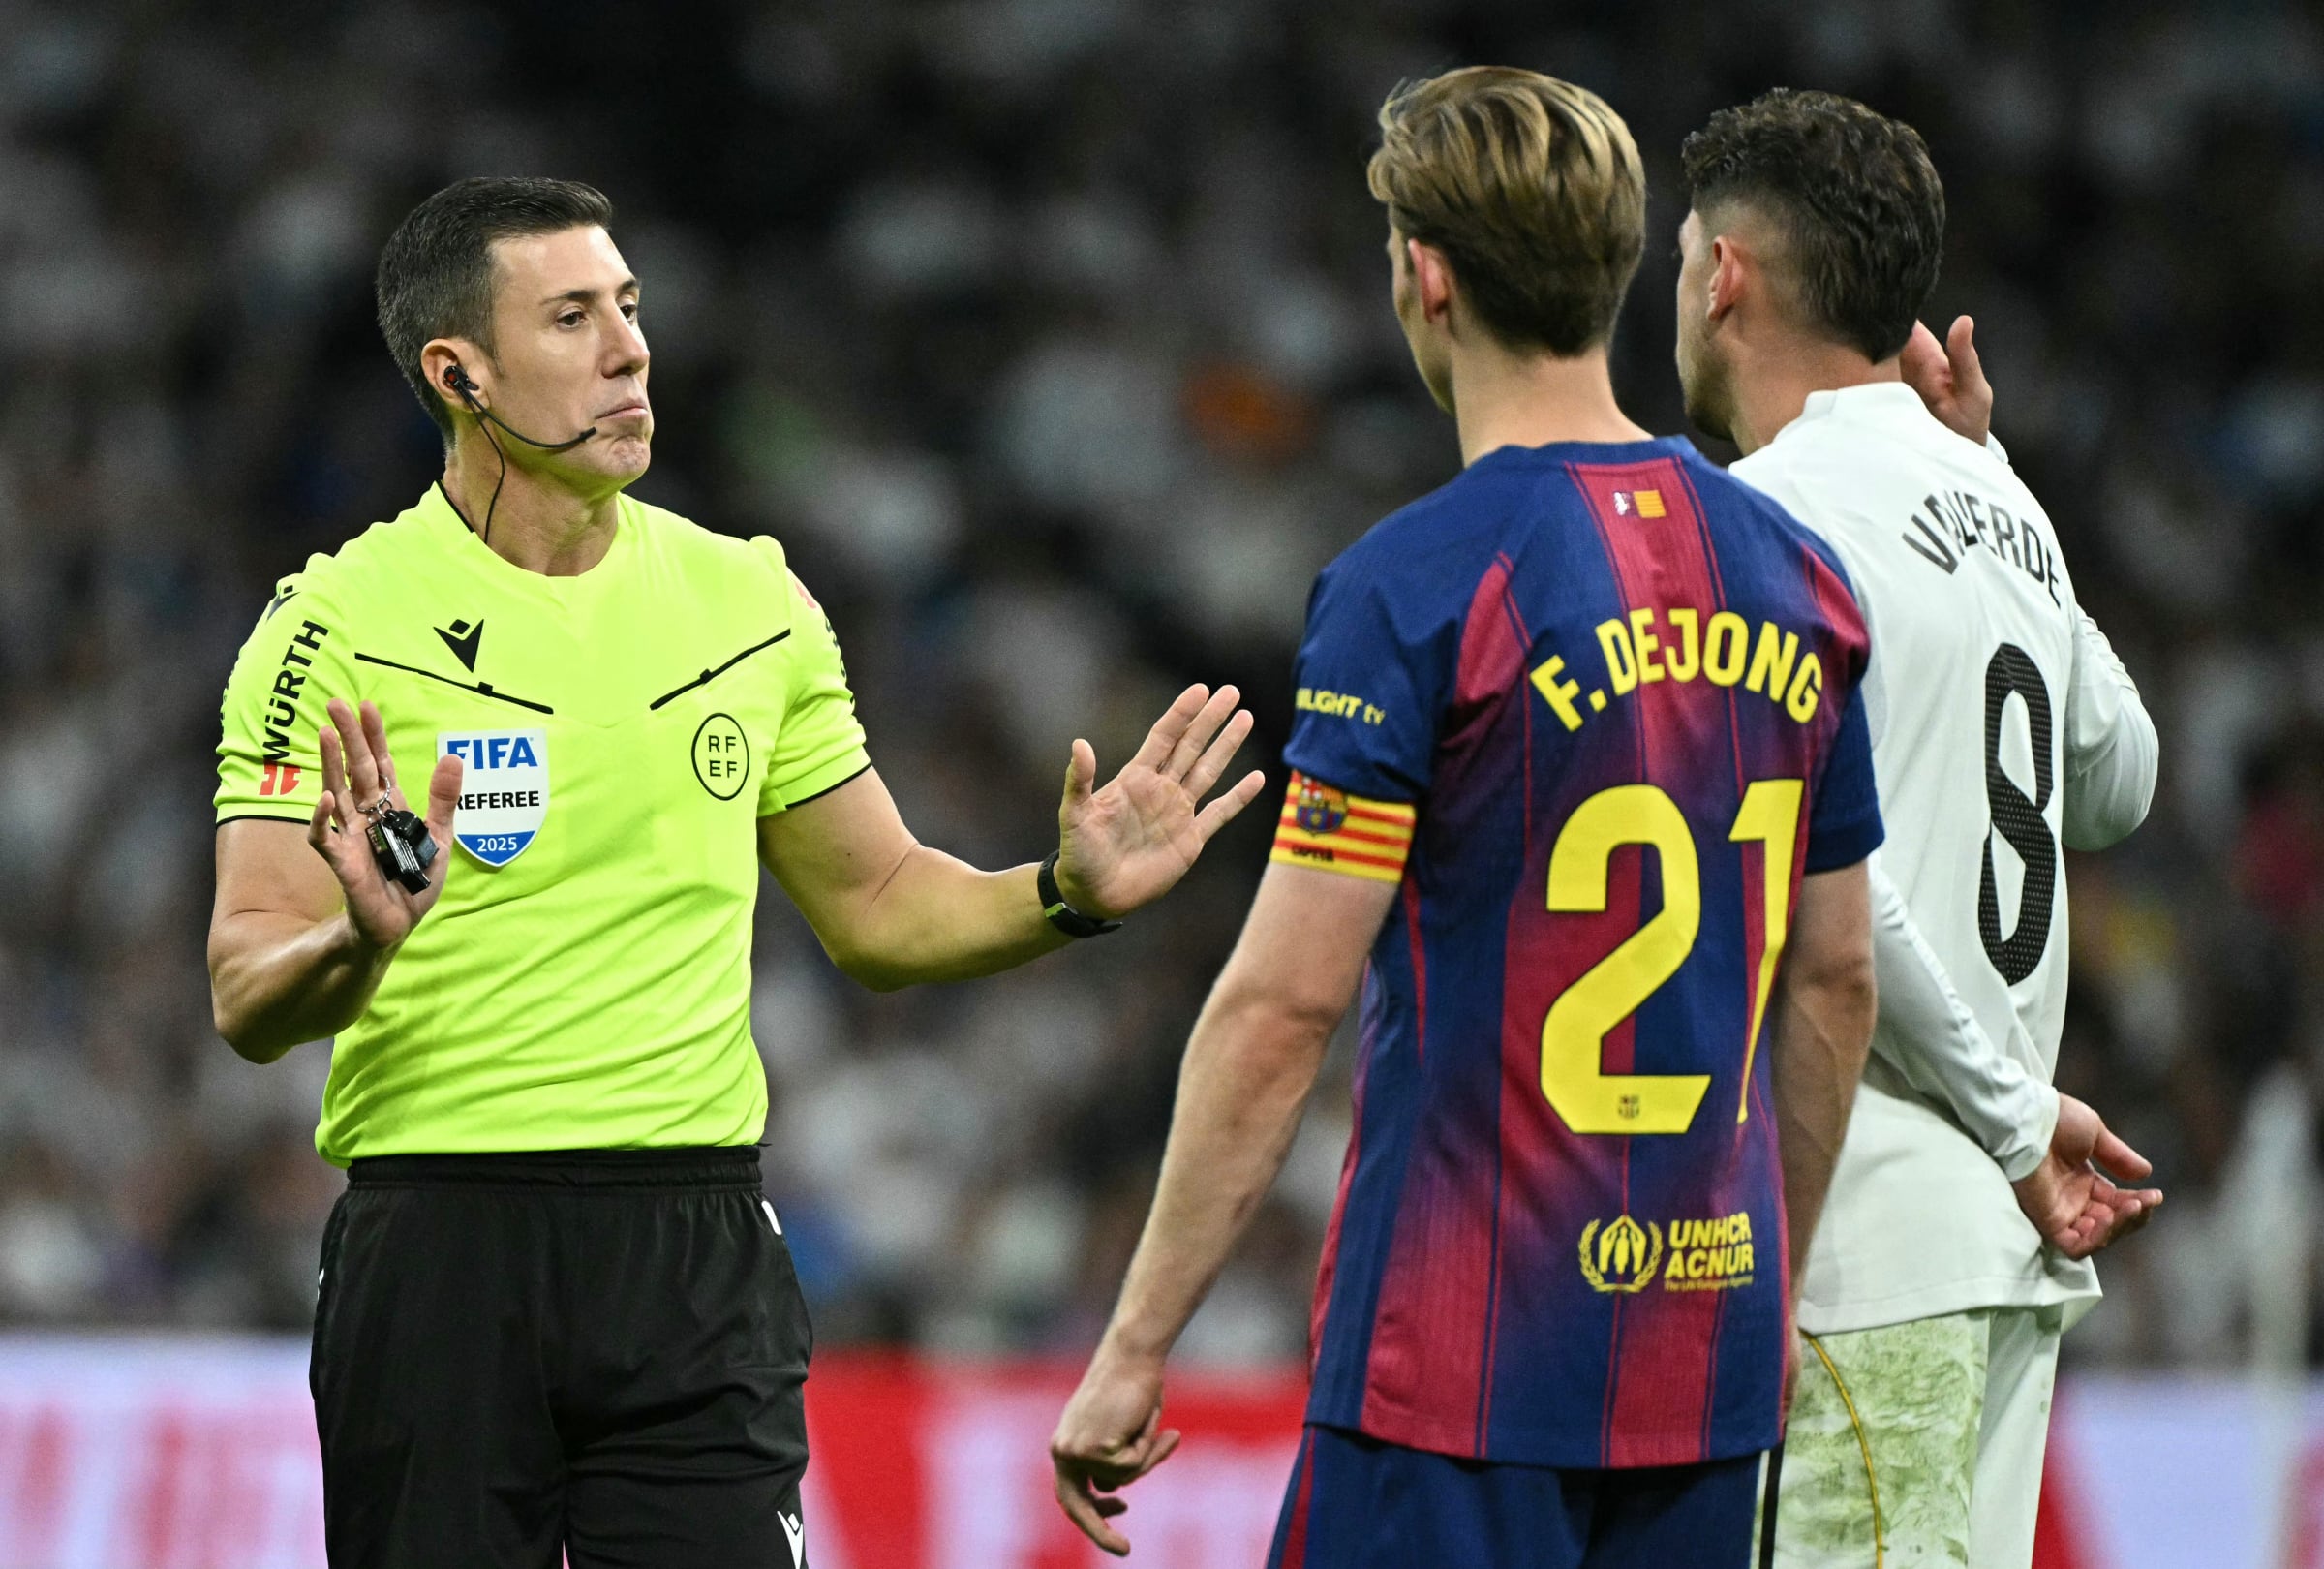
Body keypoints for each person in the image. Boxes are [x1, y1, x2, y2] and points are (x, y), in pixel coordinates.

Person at [204, 175, 1265, 1569]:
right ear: (457, 374)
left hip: (692, 1246)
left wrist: (1058, 894)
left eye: (630, 309)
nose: (630, 349)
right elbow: (246, 988)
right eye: (574, 317)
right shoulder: (333, 624)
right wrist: (360, 944)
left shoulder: (748, 601)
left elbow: (880, 906)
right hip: (442, 1243)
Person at [1050, 68, 1886, 1567]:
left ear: (1425, 278)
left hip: (1458, 1376)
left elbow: (1284, 1006)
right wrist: (1761, 1296)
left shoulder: (1420, 584)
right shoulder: (1796, 578)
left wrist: (1134, 1341)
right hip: (1706, 1371)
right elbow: (1833, 978)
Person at [1671, 90, 2163, 1566]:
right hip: (2000, 1259)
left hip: (1869, 1239)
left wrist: (2012, 1119)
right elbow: (2122, 782)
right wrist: (1998, 478)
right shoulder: (1998, 501)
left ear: (1726, 280)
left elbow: (1838, 893)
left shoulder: (1762, 516)